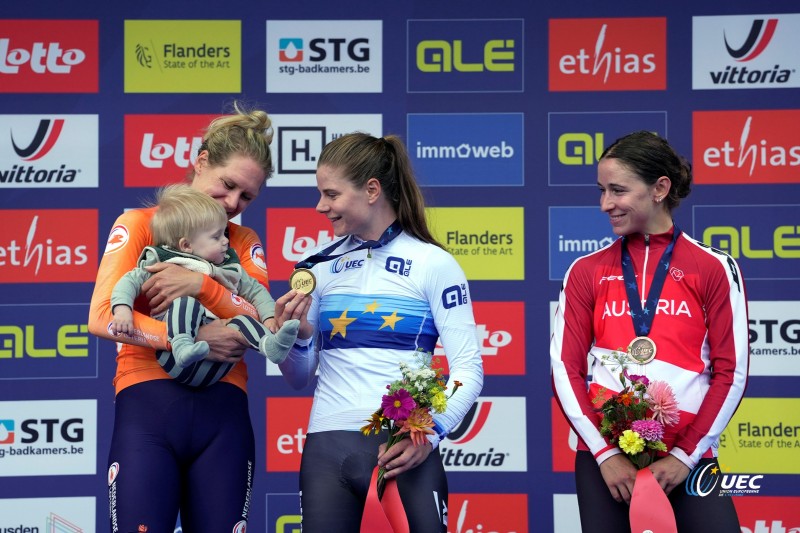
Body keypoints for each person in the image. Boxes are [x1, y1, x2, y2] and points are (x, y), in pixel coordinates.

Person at [272, 132, 485, 532]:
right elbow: (299, 377)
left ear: (371, 190)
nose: (321, 206)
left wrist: (429, 431)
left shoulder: (432, 263)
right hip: (326, 446)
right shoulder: (317, 267)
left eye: (331, 194)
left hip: (401, 444)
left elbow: (468, 368)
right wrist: (298, 336)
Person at [88, 101, 276, 532]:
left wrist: (201, 286)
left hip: (224, 416)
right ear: (201, 160)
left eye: (246, 196)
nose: (232, 203)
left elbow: (259, 322)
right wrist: (189, 339)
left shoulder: (244, 241)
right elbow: (101, 317)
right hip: (147, 407)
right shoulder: (139, 223)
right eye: (227, 185)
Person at [550, 131, 749, 532]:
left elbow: (732, 372)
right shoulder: (586, 271)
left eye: (618, 190)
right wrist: (606, 454)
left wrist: (685, 456)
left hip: (689, 456)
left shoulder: (712, 267)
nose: (605, 203)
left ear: (660, 188)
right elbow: (564, 368)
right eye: (602, 190)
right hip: (607, 461)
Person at [110, 183, 299, 387]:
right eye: (216, 237)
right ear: (186, 245)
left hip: (220, 365)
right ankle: (183, 345)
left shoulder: (228, 266)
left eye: (224, 234)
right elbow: (128, 282)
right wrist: (122, 310)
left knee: (243, 320)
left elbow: (256, 291)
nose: (226, 242)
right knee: (185, 302)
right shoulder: (162, 261)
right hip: (174, 359)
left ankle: (271, 345)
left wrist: (270, 317)